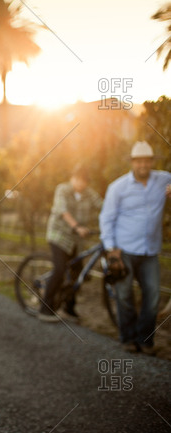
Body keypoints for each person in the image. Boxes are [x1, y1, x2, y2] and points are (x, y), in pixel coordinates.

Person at [99, 141, 171, 355]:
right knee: (124, 295)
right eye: (139, 161)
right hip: (124, 250)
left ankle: (145, 340)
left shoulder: (164, 179)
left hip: (150, 250)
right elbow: (106, 218)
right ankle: (128, 338)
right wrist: (111, 248)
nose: (143, 165)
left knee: (153, 296)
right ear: (132, 163)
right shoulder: (118, 187)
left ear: (152, 162)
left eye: (147, 160)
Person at [39, 163, 103, 322]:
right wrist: (77, 227)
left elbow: (103, 206)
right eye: (78, 180)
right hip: (59, 236)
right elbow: (63, 211)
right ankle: (44, 309)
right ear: (72, 178)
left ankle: (68, 308)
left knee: (77, 273)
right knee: (60, 270)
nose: (81, 184)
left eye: (85, 181)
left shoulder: (89, 193)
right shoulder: (62, 189)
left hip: (76, 241)